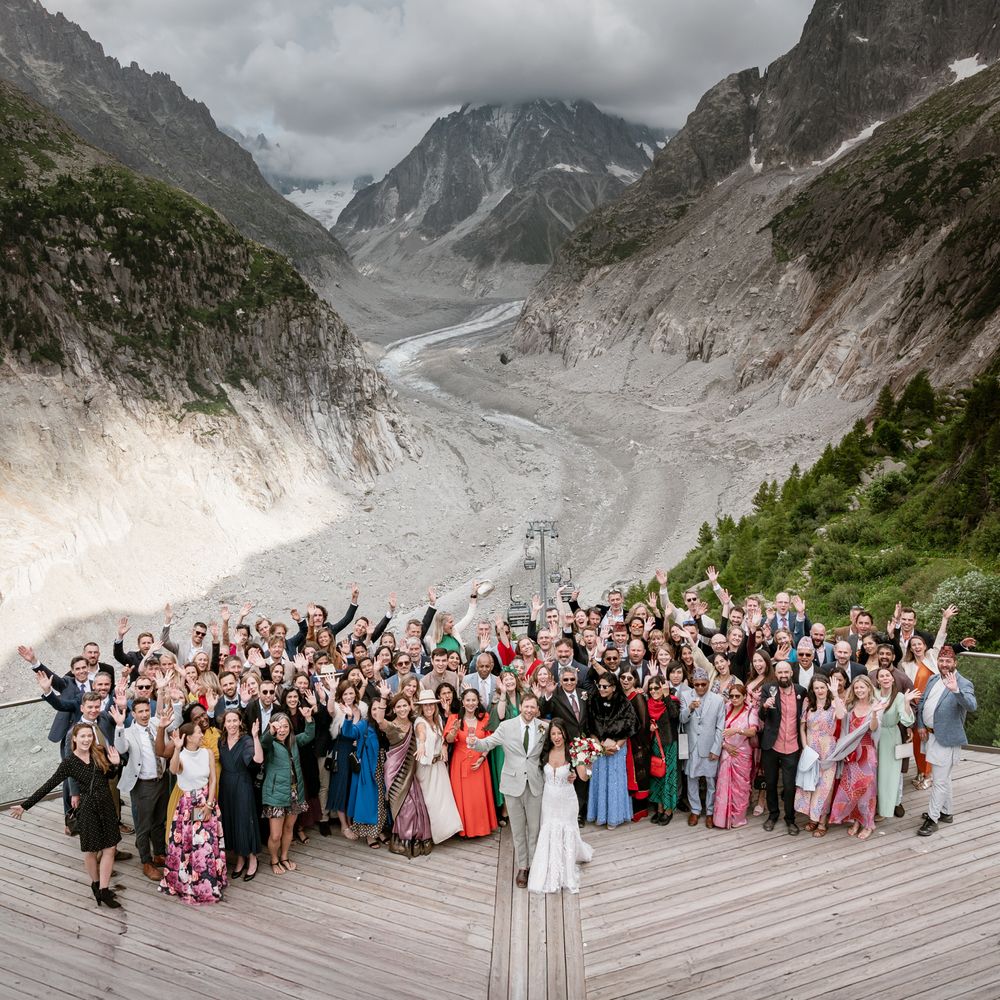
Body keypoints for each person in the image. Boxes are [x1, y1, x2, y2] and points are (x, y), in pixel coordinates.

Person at [8, 723, 123, 908]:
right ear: (75, 739)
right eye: (83, 736)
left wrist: (116, 764)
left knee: (110, 848)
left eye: (89, 736)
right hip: (88, 809)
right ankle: (95, 883)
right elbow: (49, 784)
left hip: (106, 805)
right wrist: (25, 806)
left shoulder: (99, 752)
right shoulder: (69, 763)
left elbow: (109, 776)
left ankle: (104, 890)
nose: (87, 739)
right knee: (92, 850)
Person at [467, 692, 545, 889]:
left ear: (537, 710)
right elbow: (488, 743)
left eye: (533, 707)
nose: (529, 710)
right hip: (512, 785)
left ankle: (535, 865)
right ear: (521, 707)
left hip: (535, 784)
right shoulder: (506, 726)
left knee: (534, 829)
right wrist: (474, 742)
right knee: (518, 830)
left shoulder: (544, 727)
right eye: (526, 706)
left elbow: (554, 750)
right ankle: (523, 867)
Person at [160, 721, 227, 904]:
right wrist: (176, 749)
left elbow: (213, 779)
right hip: (188, 805)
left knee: (205, 844)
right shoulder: (181, 756)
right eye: (198, 732)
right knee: (188, 844)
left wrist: (210, 805)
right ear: (189, 737)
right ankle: (187, 882)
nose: (202, 735)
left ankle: (208, 882)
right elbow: (174, 769)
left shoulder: (207, 753)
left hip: (205, 801)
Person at [916, 646, 978, 837]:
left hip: (947, 739)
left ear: (955, 663)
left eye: (948, 661)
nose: (944, 664)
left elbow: (972, 706)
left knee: (940, 781)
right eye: (941, 661)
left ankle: (933, 818)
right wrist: (920, 725)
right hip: (930, 735)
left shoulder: (963, 683)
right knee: (944, 778)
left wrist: (956, 690)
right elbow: (922, 702)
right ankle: (946, 812)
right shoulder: (933, 678)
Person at [528, 720, 593, 893]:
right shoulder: (545, 753)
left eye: (559, 733)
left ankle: (567, 870)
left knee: (567, 830)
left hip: (567, 800)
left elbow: (584, 777)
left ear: (565, 733)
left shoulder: (573, 752)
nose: (556, 737)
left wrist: (588, 765)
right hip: (548, 800)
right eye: (553, 734)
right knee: (549, 829)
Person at [110, 697, 167, 881]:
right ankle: (146, 862)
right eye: (140, 712)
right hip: (143, 785)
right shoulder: (128, 732)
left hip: (161, 780)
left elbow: (175, 724)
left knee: (159, 821)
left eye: (146, 711)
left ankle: (159, 854)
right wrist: (119, 725)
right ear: (133, 714)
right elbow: (120, 748)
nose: (144, 715)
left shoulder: (157, 723)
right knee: (144, 826)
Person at [372, 692, 434, 858]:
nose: (402, 709)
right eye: (398, 706)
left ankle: (414, 840)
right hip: (394, 771)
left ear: (410, 706)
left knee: (417, 805)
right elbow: (379, 720)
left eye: (404, 705)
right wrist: (383, 698)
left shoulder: (415, 724)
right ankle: (402, 840)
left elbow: (424, 733)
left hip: (411, 771)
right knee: (405, 806)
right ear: (394, 709)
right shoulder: (391, 725)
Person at [260, 708, 315, 875]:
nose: (282, 730)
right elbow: (263, 742)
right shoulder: (270, 744)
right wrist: (271, 732)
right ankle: (274, 859)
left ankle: (284, 857)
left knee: (289, 828)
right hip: (276, 794)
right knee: (275, 835)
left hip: (295, 793)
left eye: (285, 726)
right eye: (278, 727)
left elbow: (309, 735)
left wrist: (309, 719)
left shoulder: (294, 741)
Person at [829, 674, 881, 840]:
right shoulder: (850, 705)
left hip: (867, 752)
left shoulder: (875, 705)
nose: (859, 690)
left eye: (862, 687)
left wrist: (874, 714)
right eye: (856, 687)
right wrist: (835, 694)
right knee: (853, 789)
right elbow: (840, 716)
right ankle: (857, 820)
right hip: (851, 753)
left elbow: (873, 728)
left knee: (867, 791)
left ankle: (868, 824)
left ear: (869, 688)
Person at [757, 661, 806, 835]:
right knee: (770, 783)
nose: (783, 675)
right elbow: (761, 716)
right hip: (772, 745)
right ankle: (773, 815)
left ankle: (790, 819)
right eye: (780, 672)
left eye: (786, 672)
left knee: (789, 786)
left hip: (792, 746)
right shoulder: (768, 689)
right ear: (776, 674)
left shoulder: (801, 691)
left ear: (791, 672)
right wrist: (764, 706)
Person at [587, 673, 638, 829]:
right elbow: (590, 727)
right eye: (599, 686)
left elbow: (630, 728)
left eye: (605, 686)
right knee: (600, 781)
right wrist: (600, 747)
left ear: (614, 687)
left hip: (617, 749)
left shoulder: (624, 703)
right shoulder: (593, 701)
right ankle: (601, 815)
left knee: (615, 783)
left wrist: (616, 746)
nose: (601, 689)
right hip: (599, 749)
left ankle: (614, 817)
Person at [217, 709, 264, 881]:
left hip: (242, 784)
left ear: (240, 722)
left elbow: (258, 760)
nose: (232, 724)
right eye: (228, 721)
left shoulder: (246, 740)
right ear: (224, 724)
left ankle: (252, 858)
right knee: (232, 821)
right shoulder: (221, 741)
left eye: (234, 721)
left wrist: (256, 737)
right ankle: (240, 857)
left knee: (245, 821)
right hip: (226, 785)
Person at [445, 689, 498, 837]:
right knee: (463, 798)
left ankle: (480, 828)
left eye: (473, 700)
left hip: (479, 762)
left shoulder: (484, 718)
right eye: (468, 700)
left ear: (478, 702)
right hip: (460, 762)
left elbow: (490, 741)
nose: (470, 703)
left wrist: (483, 757)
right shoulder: (454, 718)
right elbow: (449, 740)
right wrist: (454, 730)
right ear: (462, 702)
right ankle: (464, 829)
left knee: (478, 797)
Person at [414, 689, 463, 843]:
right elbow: (421, 733)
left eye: (431, 705)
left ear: (435, 706)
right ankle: (428, 834)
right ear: (421, 707)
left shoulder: (438, 720)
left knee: (444, 799)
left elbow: (442, 738)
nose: (429, 707)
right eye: (425, 705)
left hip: (439, 764)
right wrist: (421, 744)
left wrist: (443, 746)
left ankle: (446, 831)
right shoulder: (420, 722)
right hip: (426, 767)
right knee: (430, 801)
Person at [340, 693, 388, 848]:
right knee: (370, 801)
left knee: (382, 800)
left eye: (379, 708)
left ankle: (379, 830)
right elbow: (348, 733)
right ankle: (369, 835)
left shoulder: (385, 724)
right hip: (369, 767)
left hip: (385, 765)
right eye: (373, 709)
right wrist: (349, 717)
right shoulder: (364, 724)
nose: (376, 711)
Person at [794, 675, 839, 837]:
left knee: (824, 786)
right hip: (811, 748)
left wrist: (836, 694)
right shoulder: (808, 703)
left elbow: (842, 716)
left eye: (822, 687)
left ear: (827, 688)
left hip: (828, 748)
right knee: (810, 783)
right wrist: (805, 747)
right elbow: (802, 727)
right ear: (812, 690)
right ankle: (812, 818)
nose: (820, 690)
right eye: (816, 688)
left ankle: (822, 820)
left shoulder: (834, 703)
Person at [873, 667, 920, 820]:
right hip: (874, 736)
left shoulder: (899, 697)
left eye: (888, 675)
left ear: (892, 679)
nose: (885, 678)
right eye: (882, 676)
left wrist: (906, 702)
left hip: (891, 737)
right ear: (877, 680)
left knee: (889, 775)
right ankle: (872, 806)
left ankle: (885, 808)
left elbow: (907, 721)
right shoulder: (873, 694)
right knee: (874, 773)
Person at [680, 668, 725, 828]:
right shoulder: (685, 696)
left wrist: (716, 749)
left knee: (711, 781)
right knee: (692, 779)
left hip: (709, 746)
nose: (700, 687)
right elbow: (681, 719)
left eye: (703, 684)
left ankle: (710, 812)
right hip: (692, 746)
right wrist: (690, 708)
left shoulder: (718, 700)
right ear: (693, 683)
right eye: (697, 684)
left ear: (708, 683)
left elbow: (720, 726)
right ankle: (695, 810)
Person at [712, 683, 758, 830]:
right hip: (726, 751)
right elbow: (716, 729)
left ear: (744, 696)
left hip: (742, 754)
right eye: (731, 696)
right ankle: (722, 818)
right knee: (723, 784)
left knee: (741, 788)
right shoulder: (726, 708)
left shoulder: (751, 711)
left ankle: (738, 818)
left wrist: (737, 730)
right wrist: (724, 746)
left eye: (737, 696)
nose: (734, 699)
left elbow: (752, 732)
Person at [487, 667, 523, 827]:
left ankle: (518, 809)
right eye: (505, 679)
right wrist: (503, 693)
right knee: (506, 776)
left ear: (516, 680)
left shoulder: (523, 695)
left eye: (511, 678)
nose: (509, 681)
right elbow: (501, 716)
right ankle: (505, 810)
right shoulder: (498, 698)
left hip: (520, 743)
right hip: (504, 745)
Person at [327, 680, 362, 840]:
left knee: (352, 786)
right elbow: (329, 709)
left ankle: (351, 821)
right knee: (341, 786)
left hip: (355, 751)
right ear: (341, 696)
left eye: (351, 693)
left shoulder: (360, 709)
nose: (348, 696)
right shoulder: (337, 708)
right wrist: (332, 690)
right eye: (345, 694)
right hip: (341, 750)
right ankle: (344, 825)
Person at [646, 677, 681, 825]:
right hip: (655, 744)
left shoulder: (672, 701)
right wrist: (649, 726)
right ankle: (659, 808)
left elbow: (675, 715)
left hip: (669, 744)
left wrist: (666, 696)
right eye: (651, 689)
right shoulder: (649, 703)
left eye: (656, 688)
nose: (653, 691)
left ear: (663, 688)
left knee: (669, 777)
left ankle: (668, 810)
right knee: (657, 775)